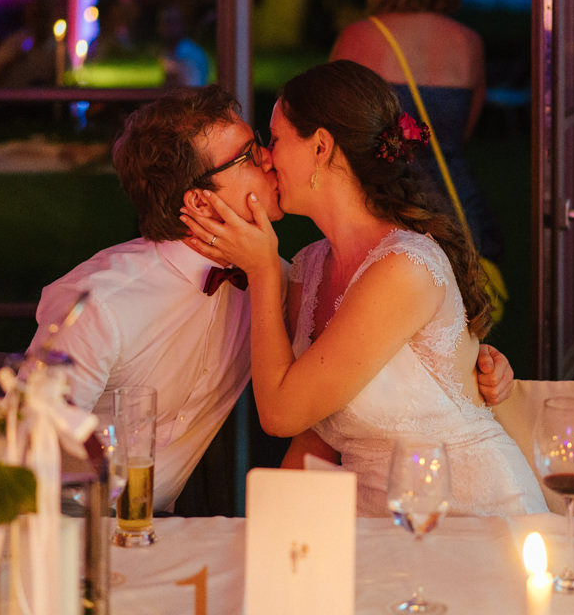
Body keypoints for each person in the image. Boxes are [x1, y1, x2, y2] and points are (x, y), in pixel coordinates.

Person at [25, 85, 514, 513]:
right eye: (249, 152)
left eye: (265, 142)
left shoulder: (275, 280)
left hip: (448, 505)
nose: (267, 158)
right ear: (199, 202)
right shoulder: (102, 305)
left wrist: (469, 361)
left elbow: (364, 354)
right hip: (65, 525)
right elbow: (26, 452)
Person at [182, 61, 546, 517]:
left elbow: (279, 413)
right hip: (379, 524)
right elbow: (312, 431)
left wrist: (262, 272)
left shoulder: (401, 268)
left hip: (468, 515)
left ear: (320, 147)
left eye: (273, 140)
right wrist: (272, 538)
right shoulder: (311, 267)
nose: (267, 158)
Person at [330, 0, 502, 264]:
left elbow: (335, 141)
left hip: (387, 213)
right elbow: (460, 135)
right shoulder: (468, 42)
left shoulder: (358, 39)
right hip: (459, 212)